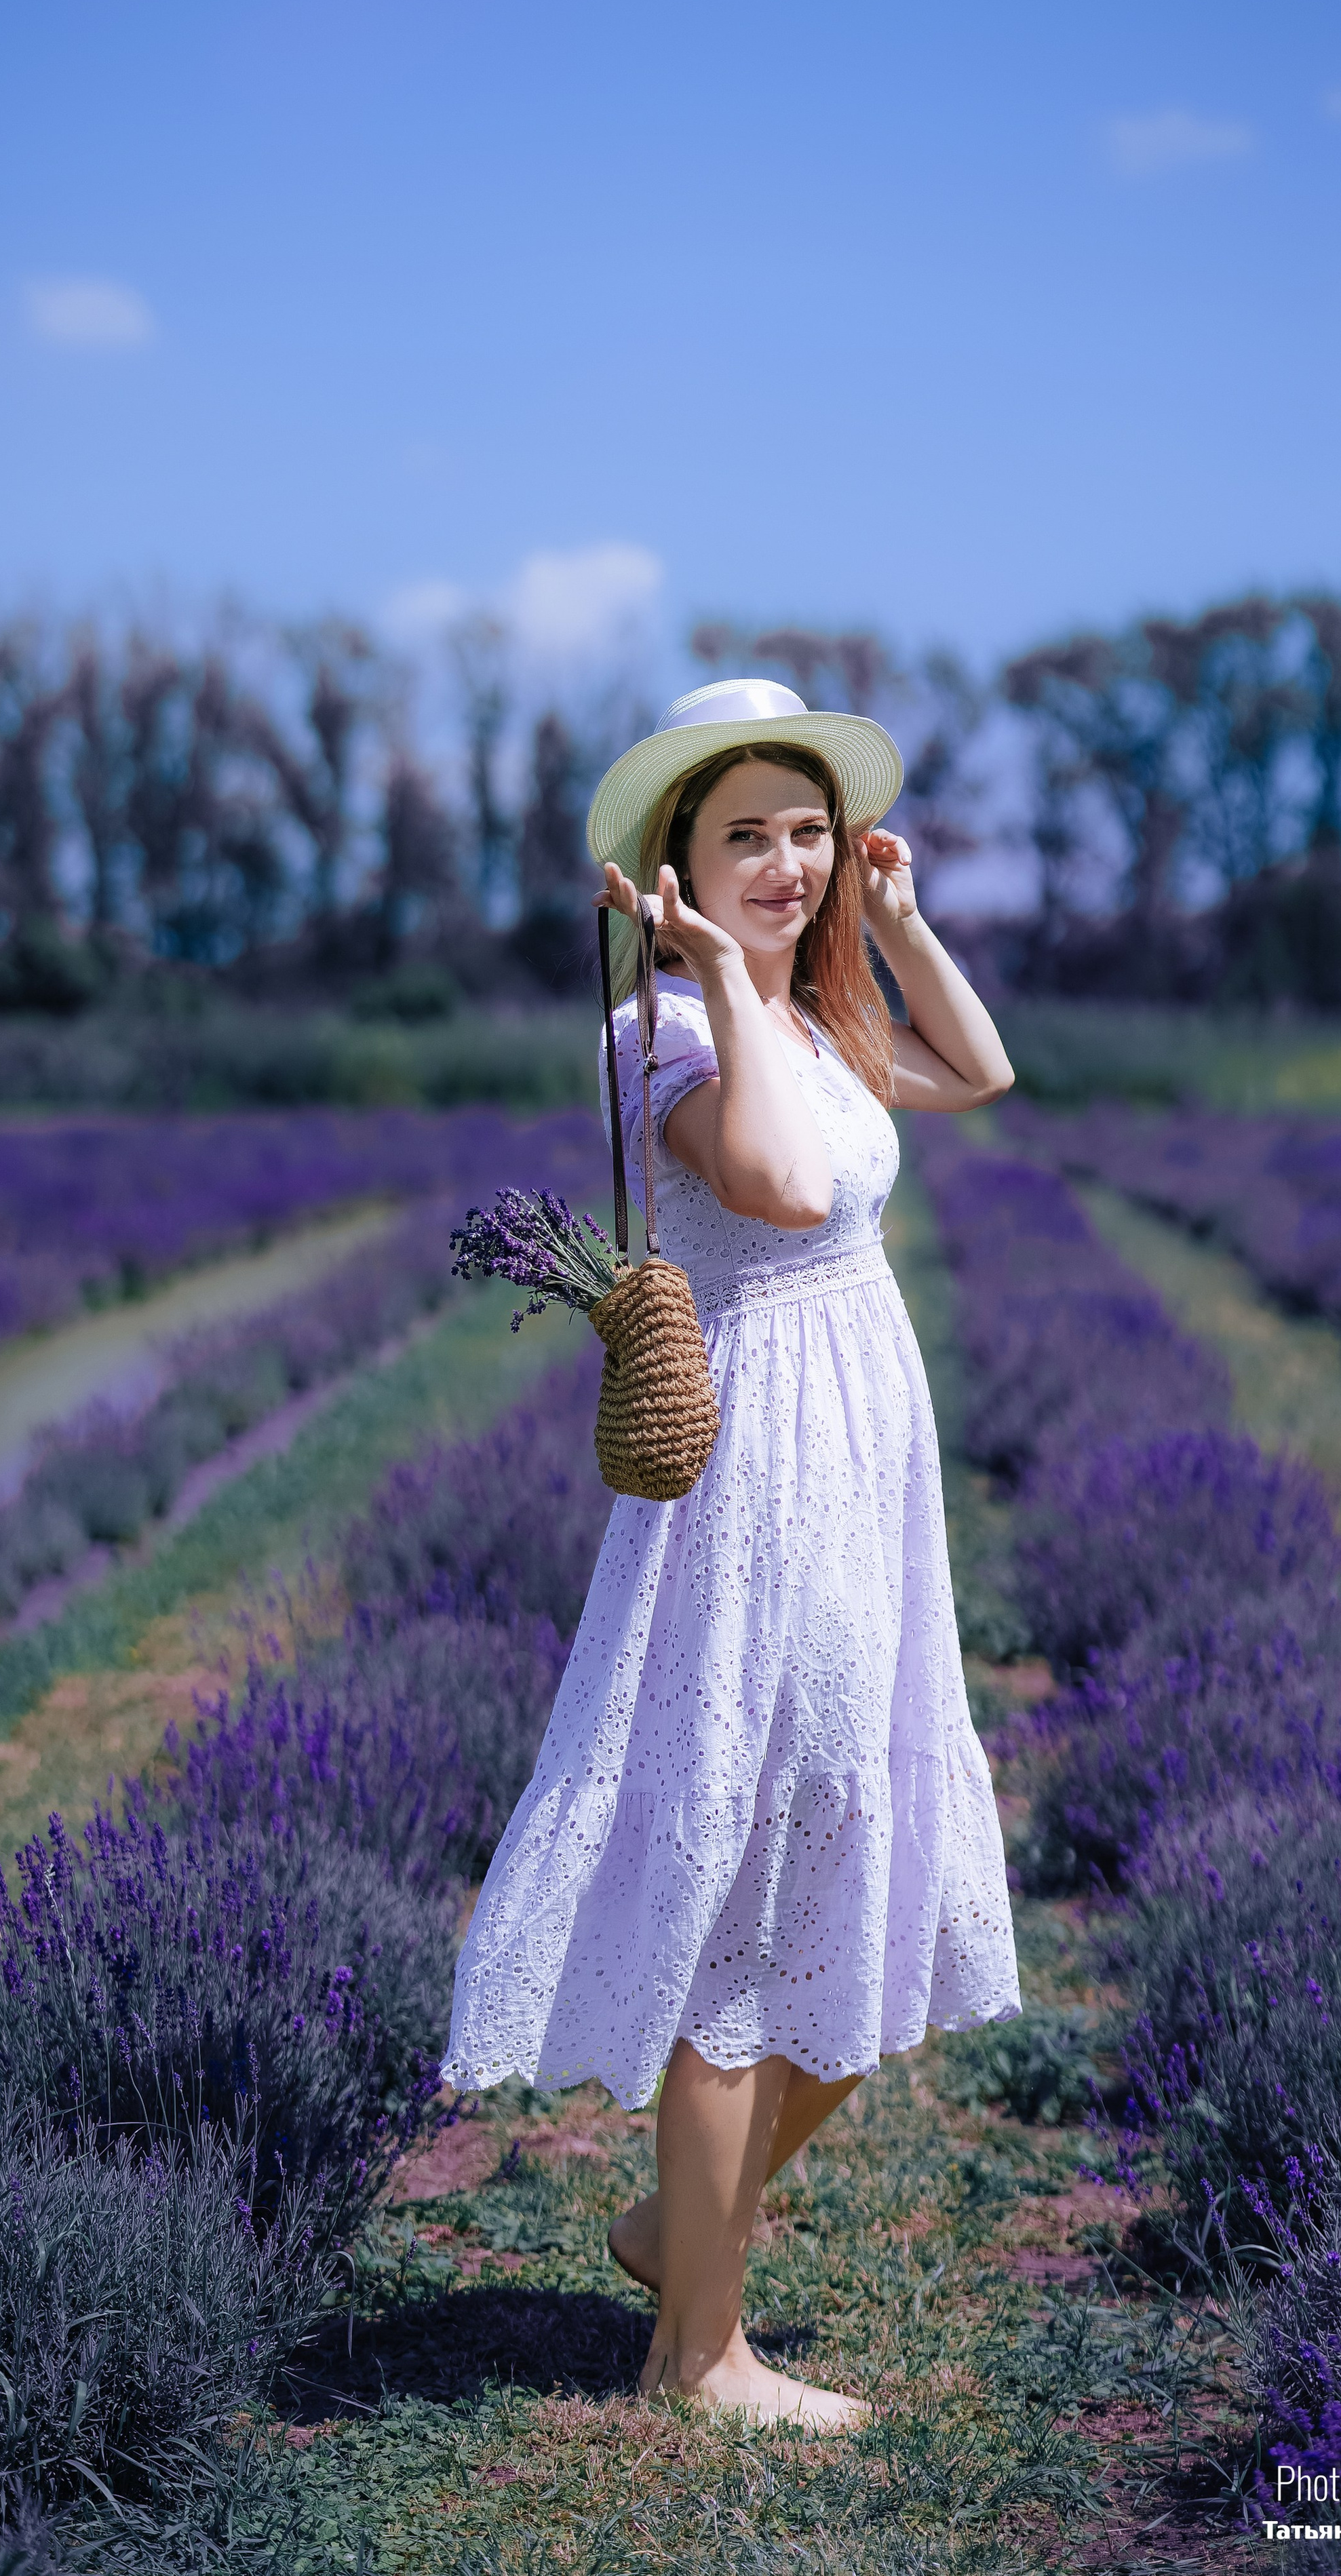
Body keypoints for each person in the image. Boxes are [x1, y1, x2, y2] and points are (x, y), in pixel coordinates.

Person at [441, 678, 1020, 2431]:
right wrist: (718, 973)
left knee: (864, 1860)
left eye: (806, 829)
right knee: (754, 1883)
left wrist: (896, 929)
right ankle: (699, 2357)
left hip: (864, 1466)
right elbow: (770, 1185)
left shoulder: (819, 1015)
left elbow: (981, 1072)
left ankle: (677, 2229)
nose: (786, 860)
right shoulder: (671, 1039)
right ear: (674, 864)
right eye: (743, 833)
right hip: (762, 1472)